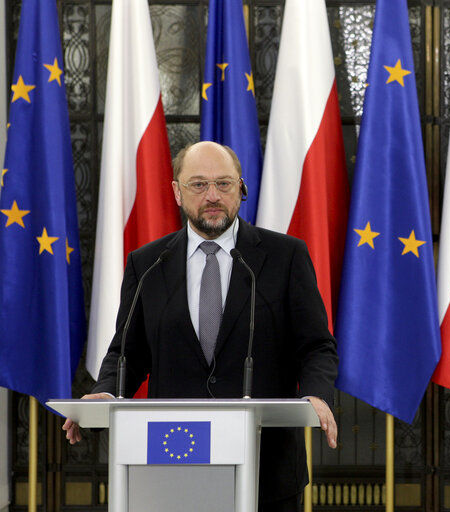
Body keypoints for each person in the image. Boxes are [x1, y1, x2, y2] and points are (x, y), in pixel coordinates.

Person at [62, 141, 338, 512]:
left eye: (224, 184)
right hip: (173, 462)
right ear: (177, 192)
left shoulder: (285, 256)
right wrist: (107, 393)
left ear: (241, 188)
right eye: (198, 184)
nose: (212, 195)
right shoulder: (148, 264)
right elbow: (128, 351)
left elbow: (317, 345)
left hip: (266, 470)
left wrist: (317, 395)